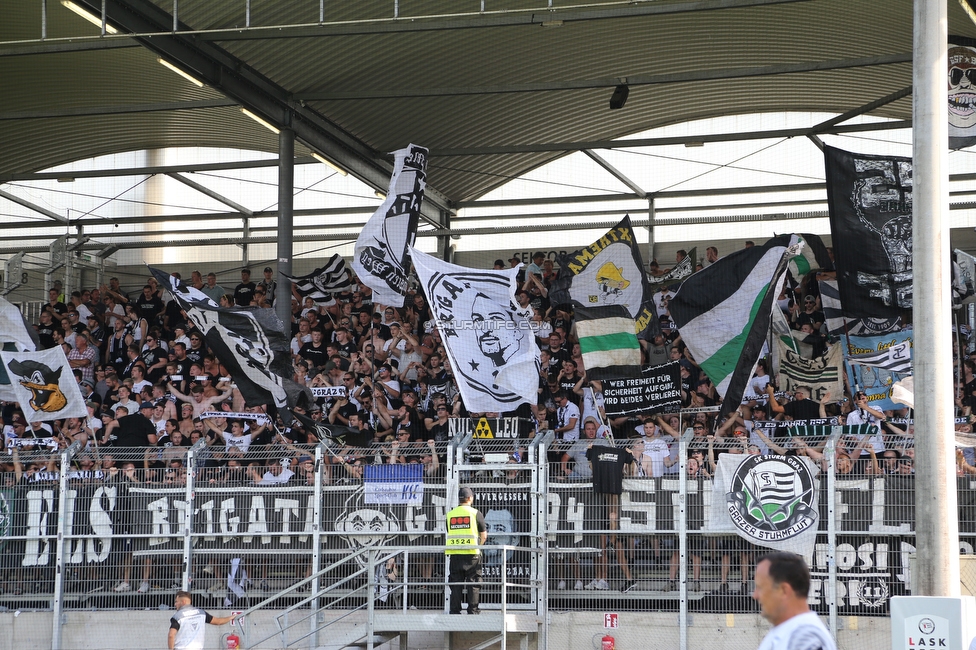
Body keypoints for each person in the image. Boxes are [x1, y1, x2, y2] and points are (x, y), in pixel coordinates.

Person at [752, 552, 836, 650]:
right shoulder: (789, 630)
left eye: (760, 588)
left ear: (784, 590)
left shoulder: (805, 635)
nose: (755, 595)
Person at [445, 486, 487, 615]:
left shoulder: (450, 514)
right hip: (472, 554)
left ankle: (454, 611)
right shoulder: (475, 513)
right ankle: (473, 610)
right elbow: (484, 535)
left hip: (455, 554)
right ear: (470, 498)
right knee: (473, 584)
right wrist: (478, 546)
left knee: (456, 584)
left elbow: (449, 531)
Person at [168, 590, 235, 650]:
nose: (175, 604)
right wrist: (232, 617)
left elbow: (171, 635)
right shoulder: (201, 613)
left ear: (183, 602)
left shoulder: (178, 616)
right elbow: (218, 621)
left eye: (176, 601)